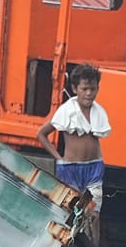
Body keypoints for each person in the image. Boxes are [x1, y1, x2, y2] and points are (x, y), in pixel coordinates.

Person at [37, 63, 110, 219]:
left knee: (94, 214)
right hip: (70, 168)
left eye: (93, 89)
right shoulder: (66, 111)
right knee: (67, 213)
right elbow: (42, 134)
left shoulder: (99, 112)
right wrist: (58, 158)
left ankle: (94, 236)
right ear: (75, 89)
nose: (89, 93)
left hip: (94, 168)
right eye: (84, 89)